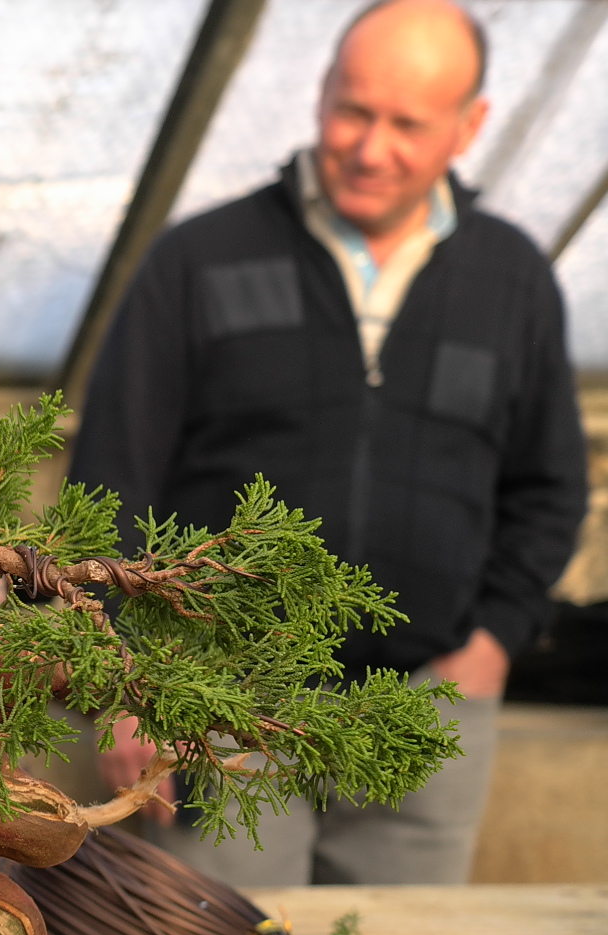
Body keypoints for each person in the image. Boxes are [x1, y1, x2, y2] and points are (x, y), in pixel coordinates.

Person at [72, 0, 589, 886]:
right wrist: (124, 682)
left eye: (407, 125)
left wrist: (493, 641)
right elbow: (109, 483)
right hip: (217, 697)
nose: (371, 148)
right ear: (321, 93)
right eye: (354, 111)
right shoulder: (199, 260)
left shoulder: (513, 281)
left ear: (470, 126)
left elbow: (549, 488)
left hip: (426, 706)